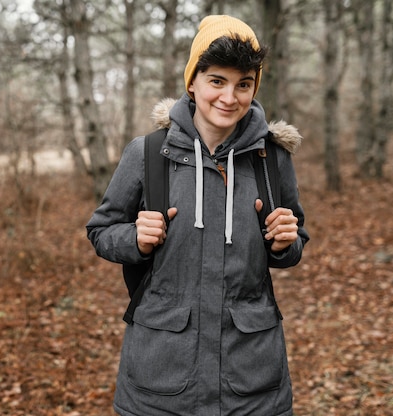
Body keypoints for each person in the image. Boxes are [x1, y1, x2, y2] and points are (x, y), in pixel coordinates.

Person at [86, 15, 310, 416]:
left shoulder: (271, 159)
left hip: (253, 382)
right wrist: (134, 239)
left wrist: (285, 242)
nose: (230, 97)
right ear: (193, 82)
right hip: (161, 379)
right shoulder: (148, 153)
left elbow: (293, 247)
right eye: (217, 81)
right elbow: (101, 231)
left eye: (244, 84)